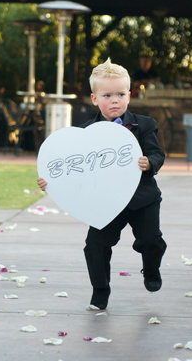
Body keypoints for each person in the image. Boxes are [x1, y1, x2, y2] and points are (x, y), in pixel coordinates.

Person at [37, 58, 166, 310]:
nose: (115, 100)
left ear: (129, 96)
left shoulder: (145, 125)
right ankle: (100, 289)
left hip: (143, 199)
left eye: (120, 94)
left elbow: (158, 154)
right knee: (95, 245)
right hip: (106, 203)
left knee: (150, 241)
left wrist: (149, 162)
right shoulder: (84, 133)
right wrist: (50, 180)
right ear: (95, 99)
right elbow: (72, 166)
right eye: (107, 95)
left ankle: (151, 269)